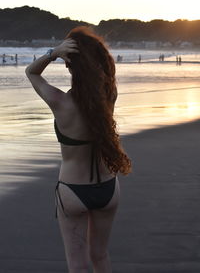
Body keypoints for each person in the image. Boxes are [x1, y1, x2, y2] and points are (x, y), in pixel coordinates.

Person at [25, 26, 131, 273]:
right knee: (101, 256)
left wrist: (54, 52)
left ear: (69, 66)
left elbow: (31, 72)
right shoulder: (110, 95)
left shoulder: (60, 102)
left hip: (74, 191)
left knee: (78, 265)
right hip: (108, 187)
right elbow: (105, 70)